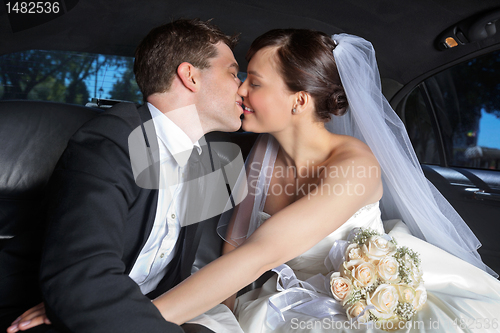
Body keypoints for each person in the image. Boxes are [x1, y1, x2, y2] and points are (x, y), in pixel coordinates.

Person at [13, 29, 500, 332]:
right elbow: (224, 253)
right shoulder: (249, 154)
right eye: (238, 75)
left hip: (356, 310)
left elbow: (256, 256)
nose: (242, 90)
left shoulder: (353, 166)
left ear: (299, 100)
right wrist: (92, 309)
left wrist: (105, 315)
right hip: (268, 300)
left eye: (254, 81)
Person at [7, 19, 244, 333]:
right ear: (190, 76)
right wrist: (83, 300)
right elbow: (81, 281)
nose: (242, 86)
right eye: (232, 72)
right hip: (30, 315)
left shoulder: (203, 163)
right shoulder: (111, 141)